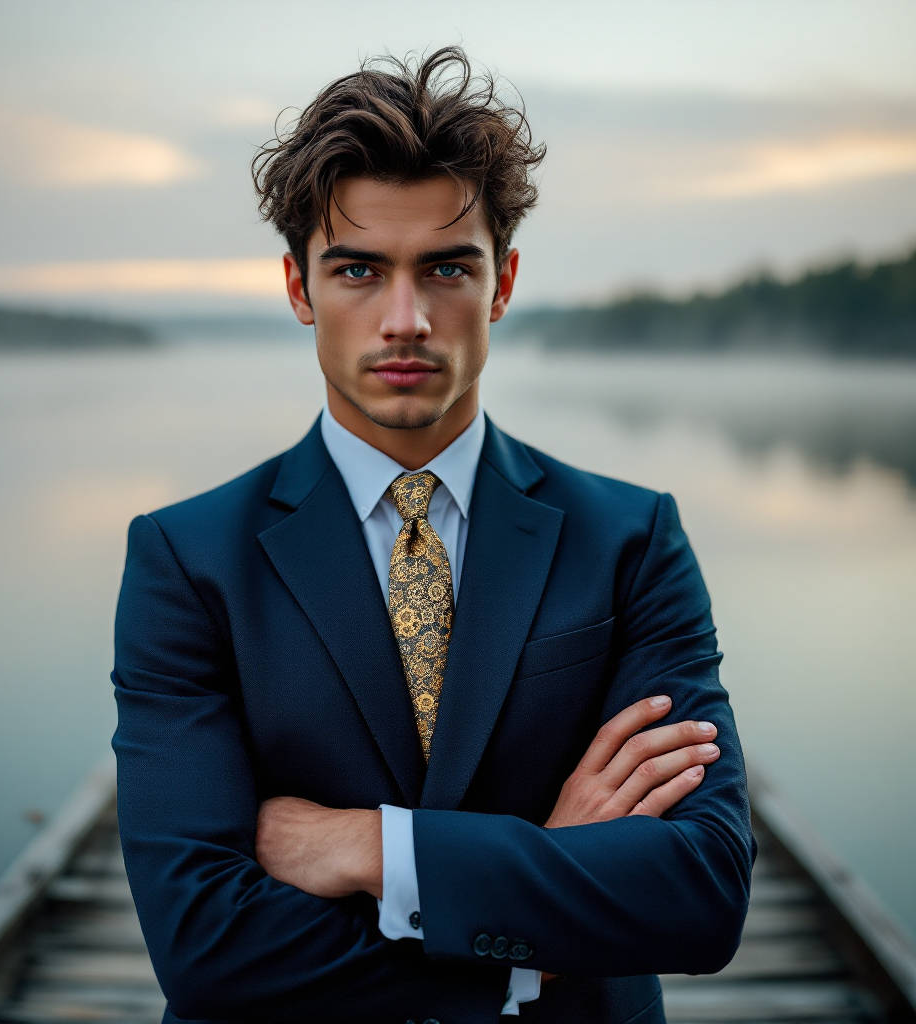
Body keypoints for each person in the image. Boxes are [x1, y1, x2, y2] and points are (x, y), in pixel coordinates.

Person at [112, 47, 753, 1024]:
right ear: (298, 288)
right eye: (359, 269)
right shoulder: (188, 561)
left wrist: (374, 849)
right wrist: (538, 901)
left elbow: (702, 889)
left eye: (446, 267)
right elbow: (205, 944)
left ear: (501, 285)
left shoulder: (630, 539)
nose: (403, 319)